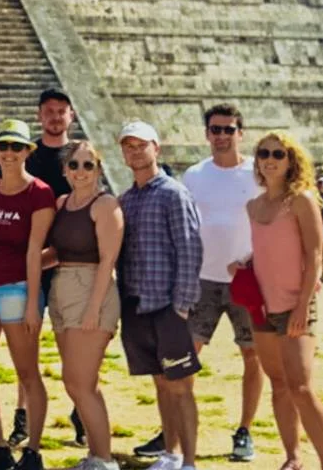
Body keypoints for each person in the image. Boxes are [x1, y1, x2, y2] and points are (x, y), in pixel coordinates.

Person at [135, 104, 261, 464]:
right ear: (207, 134)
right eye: (216, 129)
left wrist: (254, 260)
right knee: (180, 361)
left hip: (247, 279)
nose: (222, 136)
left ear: (240, 133)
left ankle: (245, 429)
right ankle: (173, 431)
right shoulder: (194, 175)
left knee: (252, 355)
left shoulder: (258, 172)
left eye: (229, 129)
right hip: (201, 279)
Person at [0, 90, 81, 447]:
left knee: (71, 342)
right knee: (27, 346)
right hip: (26, 265)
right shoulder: (22, 153)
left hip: (66, 263)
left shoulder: (79, 157)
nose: (55, 117)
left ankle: (79, 407)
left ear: (71, 116)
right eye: (49, 111)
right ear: (39, 115)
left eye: (61, 111)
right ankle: (22, 414)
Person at [239, 132, 323, 470]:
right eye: (264, 153)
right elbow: (268, 250)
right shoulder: (253, 206)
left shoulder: (301, 200)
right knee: (279, 384)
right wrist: (244, 265)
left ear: (291, 160)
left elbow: (314, 255)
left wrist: (302, 306)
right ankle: (293, 458)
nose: (270, 159)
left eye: (278, 154)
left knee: (301, 388)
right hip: (262, 308)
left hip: (296, 305)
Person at [0, 119, 54, 470]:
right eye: (3, 146)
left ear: (27, 151)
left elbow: (34, 251)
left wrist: (32, 303)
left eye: (16, 147)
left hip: (18, 288)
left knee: (27, 373)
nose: (9, 153)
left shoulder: (39, 193)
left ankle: (33, 450)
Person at [116, 121, 201, 470]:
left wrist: (182, 306)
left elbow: (190, 248)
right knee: (162, 385)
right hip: (138, 304)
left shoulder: (173, 193)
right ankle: (171, 453)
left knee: (180, 386)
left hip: (168, 306)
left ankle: (189, 461)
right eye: (129, 146)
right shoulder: (126, 199)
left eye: (142, 145)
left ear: (156, 148)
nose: (135, 152)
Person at [48, 140, 123, 470]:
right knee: (76, 382)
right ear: (65, 170)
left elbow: (108, 259)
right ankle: (95, 454)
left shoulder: (105, 205)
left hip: (92, 289)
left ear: (98, 170)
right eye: (74, 164)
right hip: (61, 290)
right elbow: (57, 252)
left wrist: (94, 308)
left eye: (88, 165)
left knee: (80, 381)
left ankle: (104, 460)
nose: (80, 171)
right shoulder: (62, 203)